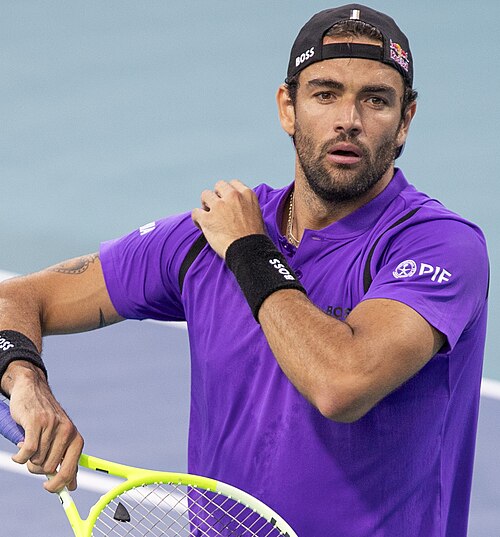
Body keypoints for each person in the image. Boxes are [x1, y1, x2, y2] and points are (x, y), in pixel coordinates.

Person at [0, 4, 489, 536]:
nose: (349, 119)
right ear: (288, 108)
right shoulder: (205, 240)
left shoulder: (440, 246)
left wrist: (250, 251)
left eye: (375, 100)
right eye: (325, 94)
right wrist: (25, 379)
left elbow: (343, 383)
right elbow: (20, 298)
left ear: (405, 120)